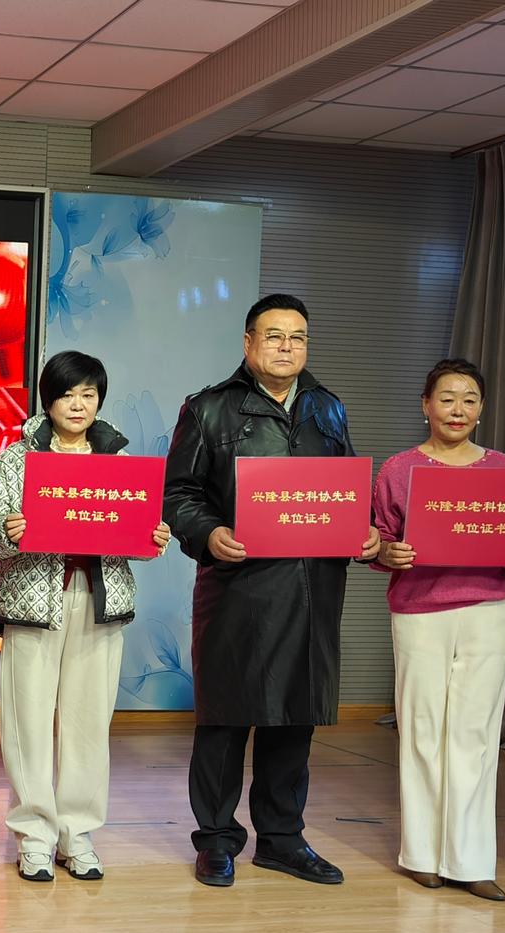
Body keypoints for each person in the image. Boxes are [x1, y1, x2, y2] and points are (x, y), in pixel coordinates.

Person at [163, 293, 380, 889]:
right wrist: (209, 532)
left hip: (312, 589)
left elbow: (345, 490)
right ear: (248, 342)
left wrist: (362, 530)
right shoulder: (209, 409)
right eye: (275, 336)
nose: (287, 347)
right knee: (226, 718)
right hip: (239, 589)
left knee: (293, 717)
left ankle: (282, 839)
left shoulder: (327, 408)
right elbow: (178, 494)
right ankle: (216, 839)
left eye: (298, 337)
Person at [0, 351, 171, 882]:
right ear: (48, 400)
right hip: (32, 601)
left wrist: (154, 537)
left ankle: (77, 833)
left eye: (88, 394)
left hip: (99, 603)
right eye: (67, 394)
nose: (78, 404)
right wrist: (6, 531)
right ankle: (34, 835)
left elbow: (139, 533)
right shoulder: (17, 459)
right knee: (28, 721)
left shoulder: (120, 462)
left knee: (88, 722)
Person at [371, 359, 505, 902]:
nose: (458, 409)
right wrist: (388, 552)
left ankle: (471, 860)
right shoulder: (399, 469)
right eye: (447, 398)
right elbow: (379, 541)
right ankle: (422, 856)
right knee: (422, 730)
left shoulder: (503, 468)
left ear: (481, 409)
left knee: (476, 735)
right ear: (426, 405)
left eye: (470, 399)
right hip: (419, 613)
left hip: (487, 611)